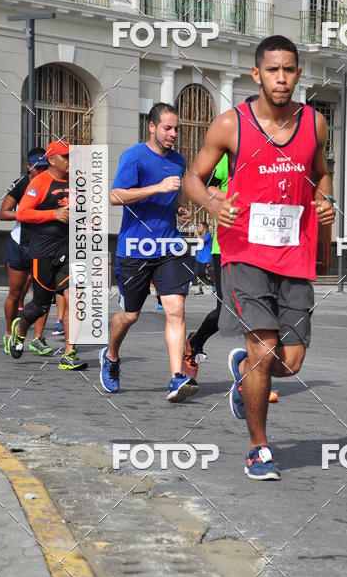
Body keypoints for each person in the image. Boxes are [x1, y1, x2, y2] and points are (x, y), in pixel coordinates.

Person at [184, 35, 335, 481]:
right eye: (273, 70)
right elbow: (193, 178)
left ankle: (245, 371)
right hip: (243, 252)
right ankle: (258, 448)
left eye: (288, 70)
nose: (281, 78)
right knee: (264, 349)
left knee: (289, 362)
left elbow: (321, 175)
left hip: (294, 253)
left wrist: (325, 204)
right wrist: (211, 204)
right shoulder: (230, 124)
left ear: (298, 74)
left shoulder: (314, 124)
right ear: (257, 74)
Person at [99, 102, 197, 402]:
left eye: (176, 128)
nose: (173, 134)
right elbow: (115, 196)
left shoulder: (178, 160)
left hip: (168, 245)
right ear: (152, 126)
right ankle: (111, 355)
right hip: (135, 247)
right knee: (130, 315)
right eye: (167, 128)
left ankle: (176, 377)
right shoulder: (134, 156)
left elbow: (173, 193)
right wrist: (157, 188)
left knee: (175, 310)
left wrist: (179, 208)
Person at [181, 156, 280, 404]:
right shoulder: (228, 155)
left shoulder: (273, 156)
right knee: (227, 310)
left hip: (261, 243)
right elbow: (207, 188)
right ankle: (195, 342)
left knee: (260, 310)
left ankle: (252, 376)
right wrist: (233, 201)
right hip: (226, 246)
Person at [8, 141, 88, 371]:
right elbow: (22, 213)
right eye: (66, 157)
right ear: (52, 160)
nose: (71, 161)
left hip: (69, 250)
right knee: (41, 306)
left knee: (75, 299)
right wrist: (54, 214)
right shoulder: (40, 182)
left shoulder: (77, 181)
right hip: (43, 251)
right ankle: (21, 329)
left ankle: (69, 354)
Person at [0, 148, 54, 356]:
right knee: (15, 293)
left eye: (45, 167)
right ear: (29, 166)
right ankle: (9, 334)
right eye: (37, 168)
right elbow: (3, 214)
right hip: (20, 244)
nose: (41, 171)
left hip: (45, 245)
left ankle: (37, 338)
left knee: (44, 295)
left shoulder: (54, 184)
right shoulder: (21, 184)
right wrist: (28, 214)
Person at [192, 222, 212, 294]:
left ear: (204, 228)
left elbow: (202, 241)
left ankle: (213, 284)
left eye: (200, 226)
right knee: (198, 274)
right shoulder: (200, 235)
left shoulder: (208, 235)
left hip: (205, 258)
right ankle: (200, 289)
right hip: (199, 257)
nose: (199, 228)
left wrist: (197, 234)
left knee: (203, 273)